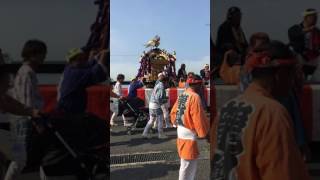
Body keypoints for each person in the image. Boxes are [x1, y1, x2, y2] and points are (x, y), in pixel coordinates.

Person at [210, 41, 310, 180]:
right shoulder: (272, 113)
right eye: (291, 74)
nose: (293, 81)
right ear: (280, 74)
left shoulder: (226, 109)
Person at [5, 40, 47, 180]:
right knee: (19, 160)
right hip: (23, 122)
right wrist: (36, 120)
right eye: (42, 54)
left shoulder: (26, 72)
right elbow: (26, 100)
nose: (44, 58)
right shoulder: (26, 73)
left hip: (24, 120)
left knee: (40, 155)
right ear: (33, 55)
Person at [170, 74, 209, 180]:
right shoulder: (195, 97)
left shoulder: (183, 94)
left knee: (188, 162)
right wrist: (205, 133)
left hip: (181, 129)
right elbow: (198, 117)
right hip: (189, 132)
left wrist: (175, 122)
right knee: (187, 164)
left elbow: (173, 112)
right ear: (198, 85)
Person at [57, 48, 108, 114]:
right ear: (71, 61)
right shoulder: (74, 74)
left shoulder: (69, 69)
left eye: (84, 59)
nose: (83, 61)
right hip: (69, 113)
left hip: (68, 110)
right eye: (79, 59)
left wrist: (93, 57)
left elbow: (86, 66)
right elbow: (95, 73)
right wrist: (103, 57)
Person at [288, 8, 320, 79]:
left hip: (313, 57)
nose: (315, 19)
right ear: (306, 18)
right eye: (313, 17)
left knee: (314, 78)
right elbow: (293, 34)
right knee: (299, 76)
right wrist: (305, 30)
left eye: (316, 17)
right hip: (300, 56)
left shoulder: (317, 31)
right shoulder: (295, 28)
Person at [142, 73, 168, 139]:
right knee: (160, 119)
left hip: (151, 104)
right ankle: (160, 135)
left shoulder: (157, 84)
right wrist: (164, 100)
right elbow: (158, 98)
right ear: (165, 81)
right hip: (156, 105)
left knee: (151, 120)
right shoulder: (161, 87)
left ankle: (145, 133)